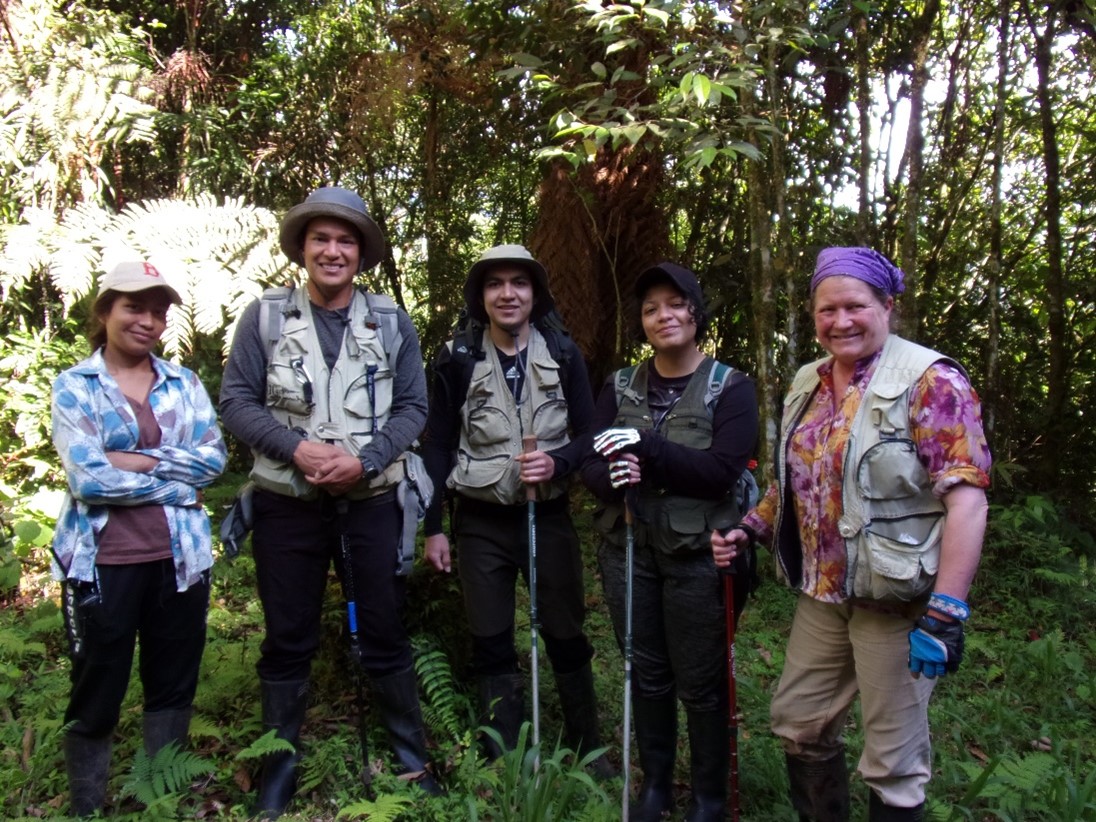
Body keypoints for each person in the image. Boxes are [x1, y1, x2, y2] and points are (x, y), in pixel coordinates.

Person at [712, 247, 992, 822]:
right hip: (823, 590)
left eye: (856, 306)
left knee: (892, 757)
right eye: (827, 309)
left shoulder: (930, 381)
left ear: (887, 306)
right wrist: (751, 528)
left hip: (896, 600)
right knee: (799, 721)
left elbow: (966, 500)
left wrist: (946, 611)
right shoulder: (806, 381)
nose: (841, 321)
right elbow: (795, 480)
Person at [219, 186, 438, 816]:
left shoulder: (392, 321)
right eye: (321, 238)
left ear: (362, 253)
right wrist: (297, 449)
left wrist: (365, 459)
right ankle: (277, 772)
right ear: (303, 248)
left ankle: (409, 758)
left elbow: (414, 408)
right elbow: (237, 400)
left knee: (385, 628)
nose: (333, 250)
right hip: (288, 504)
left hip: (372, 501)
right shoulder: (264, 317)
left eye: (346, 240)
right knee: (287, 635)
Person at [420, 244, 612, 775]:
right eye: (495, 284)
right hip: (480, 521)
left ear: (535, 294)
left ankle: (584, 748)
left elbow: (590, 431)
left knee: (566, 631)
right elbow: (437, 444)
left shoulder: (563, 352)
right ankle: (502, 757)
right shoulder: (458, 358)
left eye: (519, 283)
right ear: (481, 297)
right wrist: (434, 526)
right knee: (490, 636)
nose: (508, 293)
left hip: (546, 517)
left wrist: (560, 463)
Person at [50, 261, 227, 816]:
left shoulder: (183, 382)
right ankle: (86, 803)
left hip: (181, 558)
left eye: (158, 311)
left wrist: (134, 458)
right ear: (104, 312)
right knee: (98, 680)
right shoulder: (75, 387)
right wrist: (173, 487)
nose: (147, 320)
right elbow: (88, 478)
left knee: (172, 676)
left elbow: (212, 460)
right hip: (104, 560)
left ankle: (163, 793)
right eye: (134, 307)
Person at [583, 262, 759, 822]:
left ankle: (708, 798)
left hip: (698, 555)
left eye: (675, 303)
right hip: (628, 548)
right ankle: (656, 785)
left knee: (700, 679)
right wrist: (609, 477)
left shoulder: (730, 387)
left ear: (695, 312)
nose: (664, 316)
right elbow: (590, 462)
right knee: (646, 670)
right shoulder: (618, 385)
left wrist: (648, 448)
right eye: (651, 308)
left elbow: (720, 472)